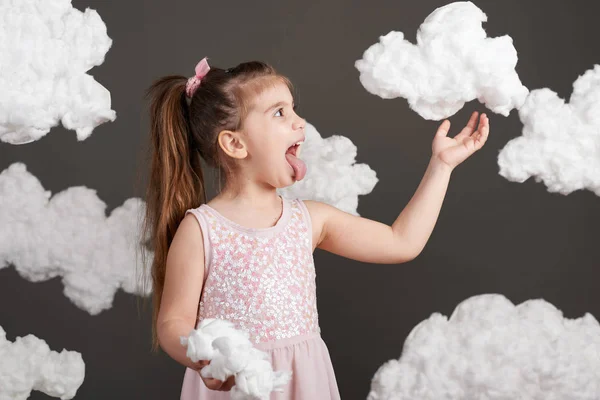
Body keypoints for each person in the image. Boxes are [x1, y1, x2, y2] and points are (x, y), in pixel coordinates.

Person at [143, 57, 489, 400]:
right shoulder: (201, 230)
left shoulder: (311, 220)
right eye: (279, 113)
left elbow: (402, 242)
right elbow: (173, 323)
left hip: (303, 384)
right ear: (235, 143)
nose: (299, 121)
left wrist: (441, 166)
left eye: (294, 109)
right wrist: (205, 359)